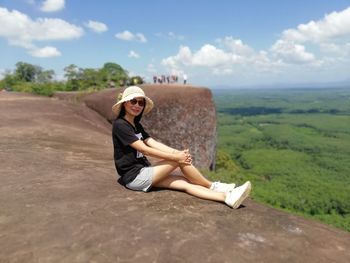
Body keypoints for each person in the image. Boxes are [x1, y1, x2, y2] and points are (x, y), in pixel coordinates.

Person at [112, 86, 251, 209]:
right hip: (134, 177)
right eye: (133, 101)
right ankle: (212, 185)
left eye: (141, 102)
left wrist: (177, 152)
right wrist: (176, 157)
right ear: (124, 103)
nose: (137, 105)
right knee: (179, 160)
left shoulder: (136, 125)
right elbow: (144, 149)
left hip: (144, 171)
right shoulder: (120, 125)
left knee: (185, 183)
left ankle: (226, 197)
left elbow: (152, 143)